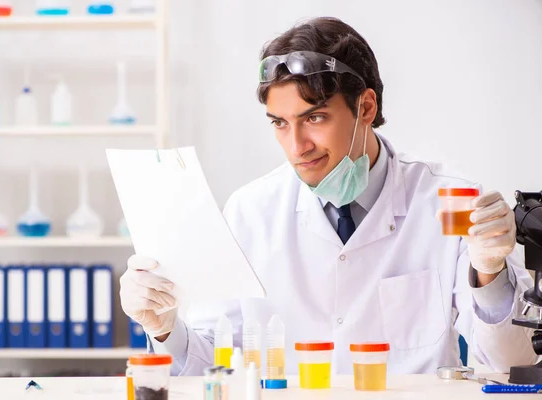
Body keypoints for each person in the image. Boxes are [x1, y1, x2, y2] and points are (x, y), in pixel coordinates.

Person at [119, 17, 536, 375]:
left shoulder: (447, 201)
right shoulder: (251, 212)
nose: (297, 146)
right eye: (280, 123)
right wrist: (165, 328)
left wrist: (489, 275)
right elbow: (214, 368)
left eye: (314, 117)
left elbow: (507, 366)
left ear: (366, 108)